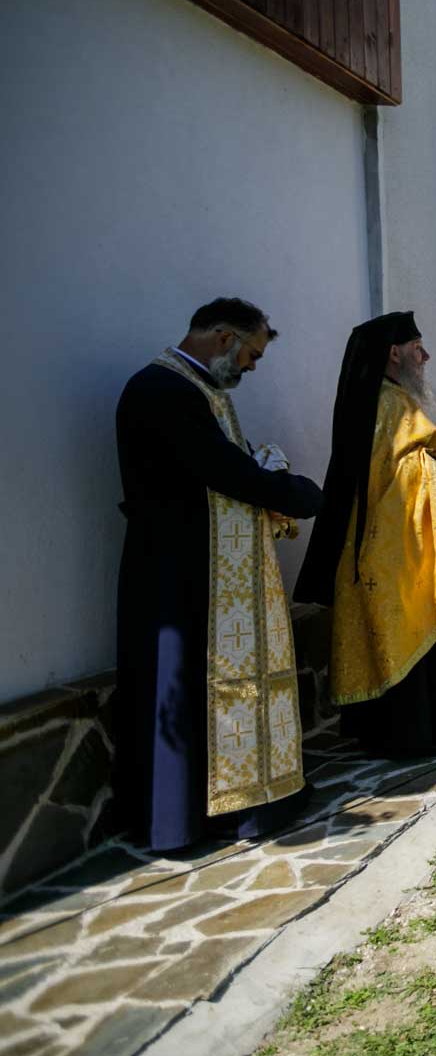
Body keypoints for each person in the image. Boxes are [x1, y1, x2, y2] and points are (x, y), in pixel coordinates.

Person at [113, 298, 323, 852]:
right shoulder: (163, 390)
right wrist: (297, 494)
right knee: (178, 686)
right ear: (224, 337)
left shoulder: (198, 389)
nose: (252, 367)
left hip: (198, 561)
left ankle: (229, 806)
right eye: (252, 353)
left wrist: (267, 472)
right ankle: (176, 821)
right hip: (174, 565)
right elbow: (223, 470)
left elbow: (233, 462)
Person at [294, 312, 436, 758]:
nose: (427, 355)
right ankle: (419, 729)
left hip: (402, 543)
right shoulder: (387, 403)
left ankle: (427, 724)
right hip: (396, 551)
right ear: (394, 352)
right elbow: (398, 473)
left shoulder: (386, 400)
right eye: (418, 346)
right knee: (418, 625)